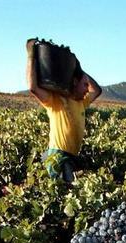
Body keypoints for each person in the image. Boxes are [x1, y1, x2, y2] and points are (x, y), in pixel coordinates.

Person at [25, 39, 102, 182]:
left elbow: (97, 90)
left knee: (71, 191)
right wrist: (31, 56)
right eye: (84, 85)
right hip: (57, 156)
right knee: (65, 192)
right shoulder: (56, 101)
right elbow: (33, 87)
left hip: (71, 157)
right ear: (74, 82)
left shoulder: (81, 102)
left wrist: (77, 68)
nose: (87, 89)